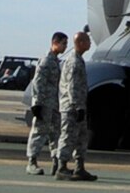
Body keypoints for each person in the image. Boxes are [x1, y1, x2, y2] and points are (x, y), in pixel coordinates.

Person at [54, 31, 96, 180]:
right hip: (71, 108)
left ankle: (80, 167)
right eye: (87, 41)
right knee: (68, 136)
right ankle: (61, 167)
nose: (90, 43)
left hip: (78, 106)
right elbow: (72, 86)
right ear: (80, 43)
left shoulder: (79, 60)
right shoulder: (73, 62)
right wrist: (77, 106)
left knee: (81, 137)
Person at [26, 31, 67, 175]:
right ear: (55, 43)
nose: (65, 47)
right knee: (39, 132)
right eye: (63, 43)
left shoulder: (56, 62)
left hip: (55, 104)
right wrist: (36, 103)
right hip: (44, 104)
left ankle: (56, 161)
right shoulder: (46, 61)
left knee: (56, 134)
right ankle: (32, 162)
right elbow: (38, 83)